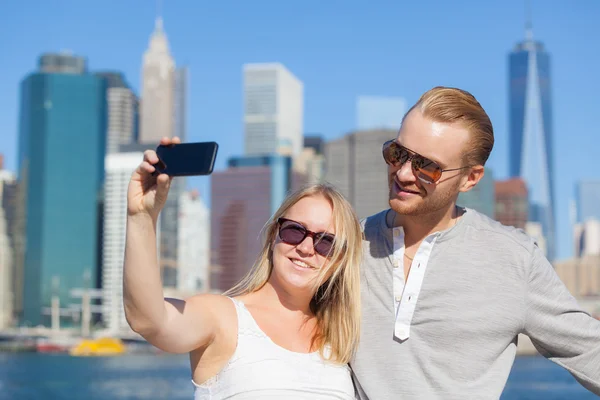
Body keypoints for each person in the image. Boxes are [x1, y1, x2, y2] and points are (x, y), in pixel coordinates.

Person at [350, 86, 600, 399]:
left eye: (426, 166)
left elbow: (591, 352)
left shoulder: (514, 259)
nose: (402, 173)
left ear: (471, 178)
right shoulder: (344, 245)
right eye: (397, 153)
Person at [123, 137, 363, 400]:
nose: (306, 248)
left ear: (340, 258)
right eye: (295, 231)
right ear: (274, 236)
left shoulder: (342, 338)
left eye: (325, 242)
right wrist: (141, 217)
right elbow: (150, 321)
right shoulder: (223, 317)